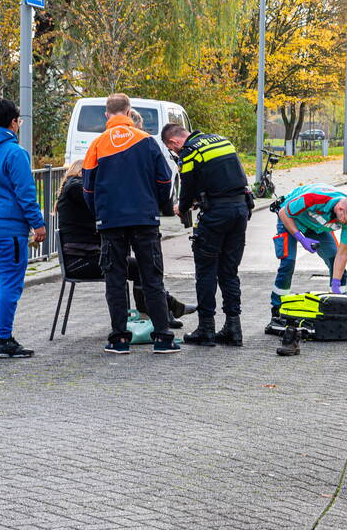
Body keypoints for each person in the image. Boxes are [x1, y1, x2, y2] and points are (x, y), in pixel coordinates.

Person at [82, 93, 179, 354]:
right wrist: (155, 204)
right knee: (151, 276)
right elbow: (165, 179)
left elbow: (88, 188)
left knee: (114, 278)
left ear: (106, 115)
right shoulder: (147, 141)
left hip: (110, 221)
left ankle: (119, 338)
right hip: (144, 219)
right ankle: (163, 337)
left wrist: (99, 212)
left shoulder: (97, 145)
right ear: (129, 111)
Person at [55, 159, 195, 327]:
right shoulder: (76, 188)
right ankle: (163, 312)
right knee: (141, 267)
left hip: (85, 256)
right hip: (82, 261)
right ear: (84, 172)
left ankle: (163, 312)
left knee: (139, 266)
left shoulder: (72, 188)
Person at [161, 123, 251, 347]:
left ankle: (206, 329)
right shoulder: (221, 140)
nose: (175, 153)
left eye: (172, 149)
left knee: (206, 270)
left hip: (217, 216)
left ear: (174, 142)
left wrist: (181, 208)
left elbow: (187, 187)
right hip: (240, 210)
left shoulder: (190, 152)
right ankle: (234, 328)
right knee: (229, 272)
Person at [0, 99, 47, 358]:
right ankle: (4, 340)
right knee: (10, 286)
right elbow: (25, 194)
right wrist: (38, 224)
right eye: (19, 121)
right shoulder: (15, 154)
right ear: (13, 122)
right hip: (9, 231)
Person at [266, 183, 347, 343]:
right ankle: (277, 312)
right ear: (340, 209)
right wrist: (301, 239)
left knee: (335, 262)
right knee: (288, 263)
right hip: (290, 220)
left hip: (318, 228)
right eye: (346, 222)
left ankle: (342, 310)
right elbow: (284, 213)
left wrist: (336, 283)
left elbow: (342, 253)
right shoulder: (314, 198)